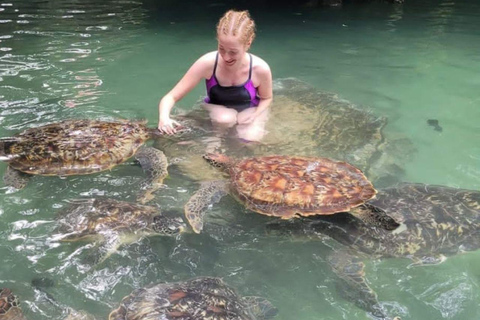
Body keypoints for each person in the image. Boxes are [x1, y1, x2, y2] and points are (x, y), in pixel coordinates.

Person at [157, 9, 273, 143]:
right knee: (225, 118)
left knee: (251, 137)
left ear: (248, 43)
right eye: (221, 48)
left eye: (233, 52)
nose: (226, 56)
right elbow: (170, 97)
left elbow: (267, 98)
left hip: (249, 108)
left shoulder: (260, 69)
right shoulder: (207, 63)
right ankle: (214, 142)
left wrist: (256, 115)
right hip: (218, 109)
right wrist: (164, 118)